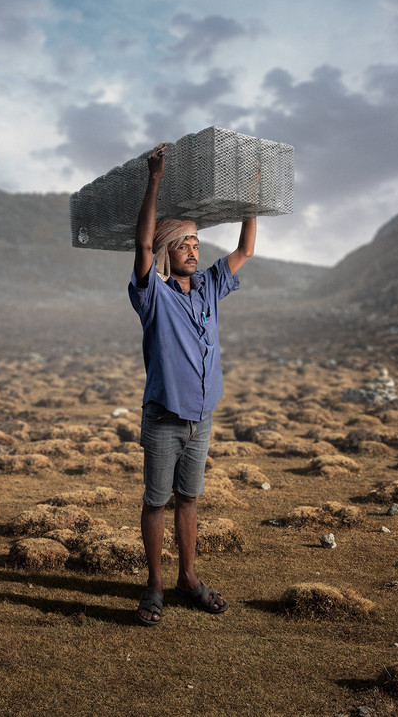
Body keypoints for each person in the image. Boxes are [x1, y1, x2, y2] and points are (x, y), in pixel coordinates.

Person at [128, 141, 256, 626]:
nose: (193, 251)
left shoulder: (208, 288)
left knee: (189, 498)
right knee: (155, 501)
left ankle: (187, 578)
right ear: (167, 251)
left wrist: (251, 201)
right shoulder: (153, 296)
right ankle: (155, 587)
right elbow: (142, 247)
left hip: (201, 419)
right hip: (164, 417)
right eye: (183, 245)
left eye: (197, 245)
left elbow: (245, 250)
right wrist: (154, 179)